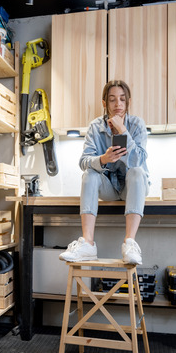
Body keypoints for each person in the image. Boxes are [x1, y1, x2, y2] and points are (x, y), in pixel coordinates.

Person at [59, 80, 149, 265]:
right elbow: (84, 162)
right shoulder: (95, 127)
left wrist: (123, 130)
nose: (118, 105)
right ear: (104, 103)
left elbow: (138, 160)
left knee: (137, 172)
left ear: (128, 102)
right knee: (89, 174)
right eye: (113, 100)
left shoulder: (137, 124)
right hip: (107, 187)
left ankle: (130, 243)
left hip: (132, 187)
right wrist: (103, 159)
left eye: (122, 99)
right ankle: (88, 244)